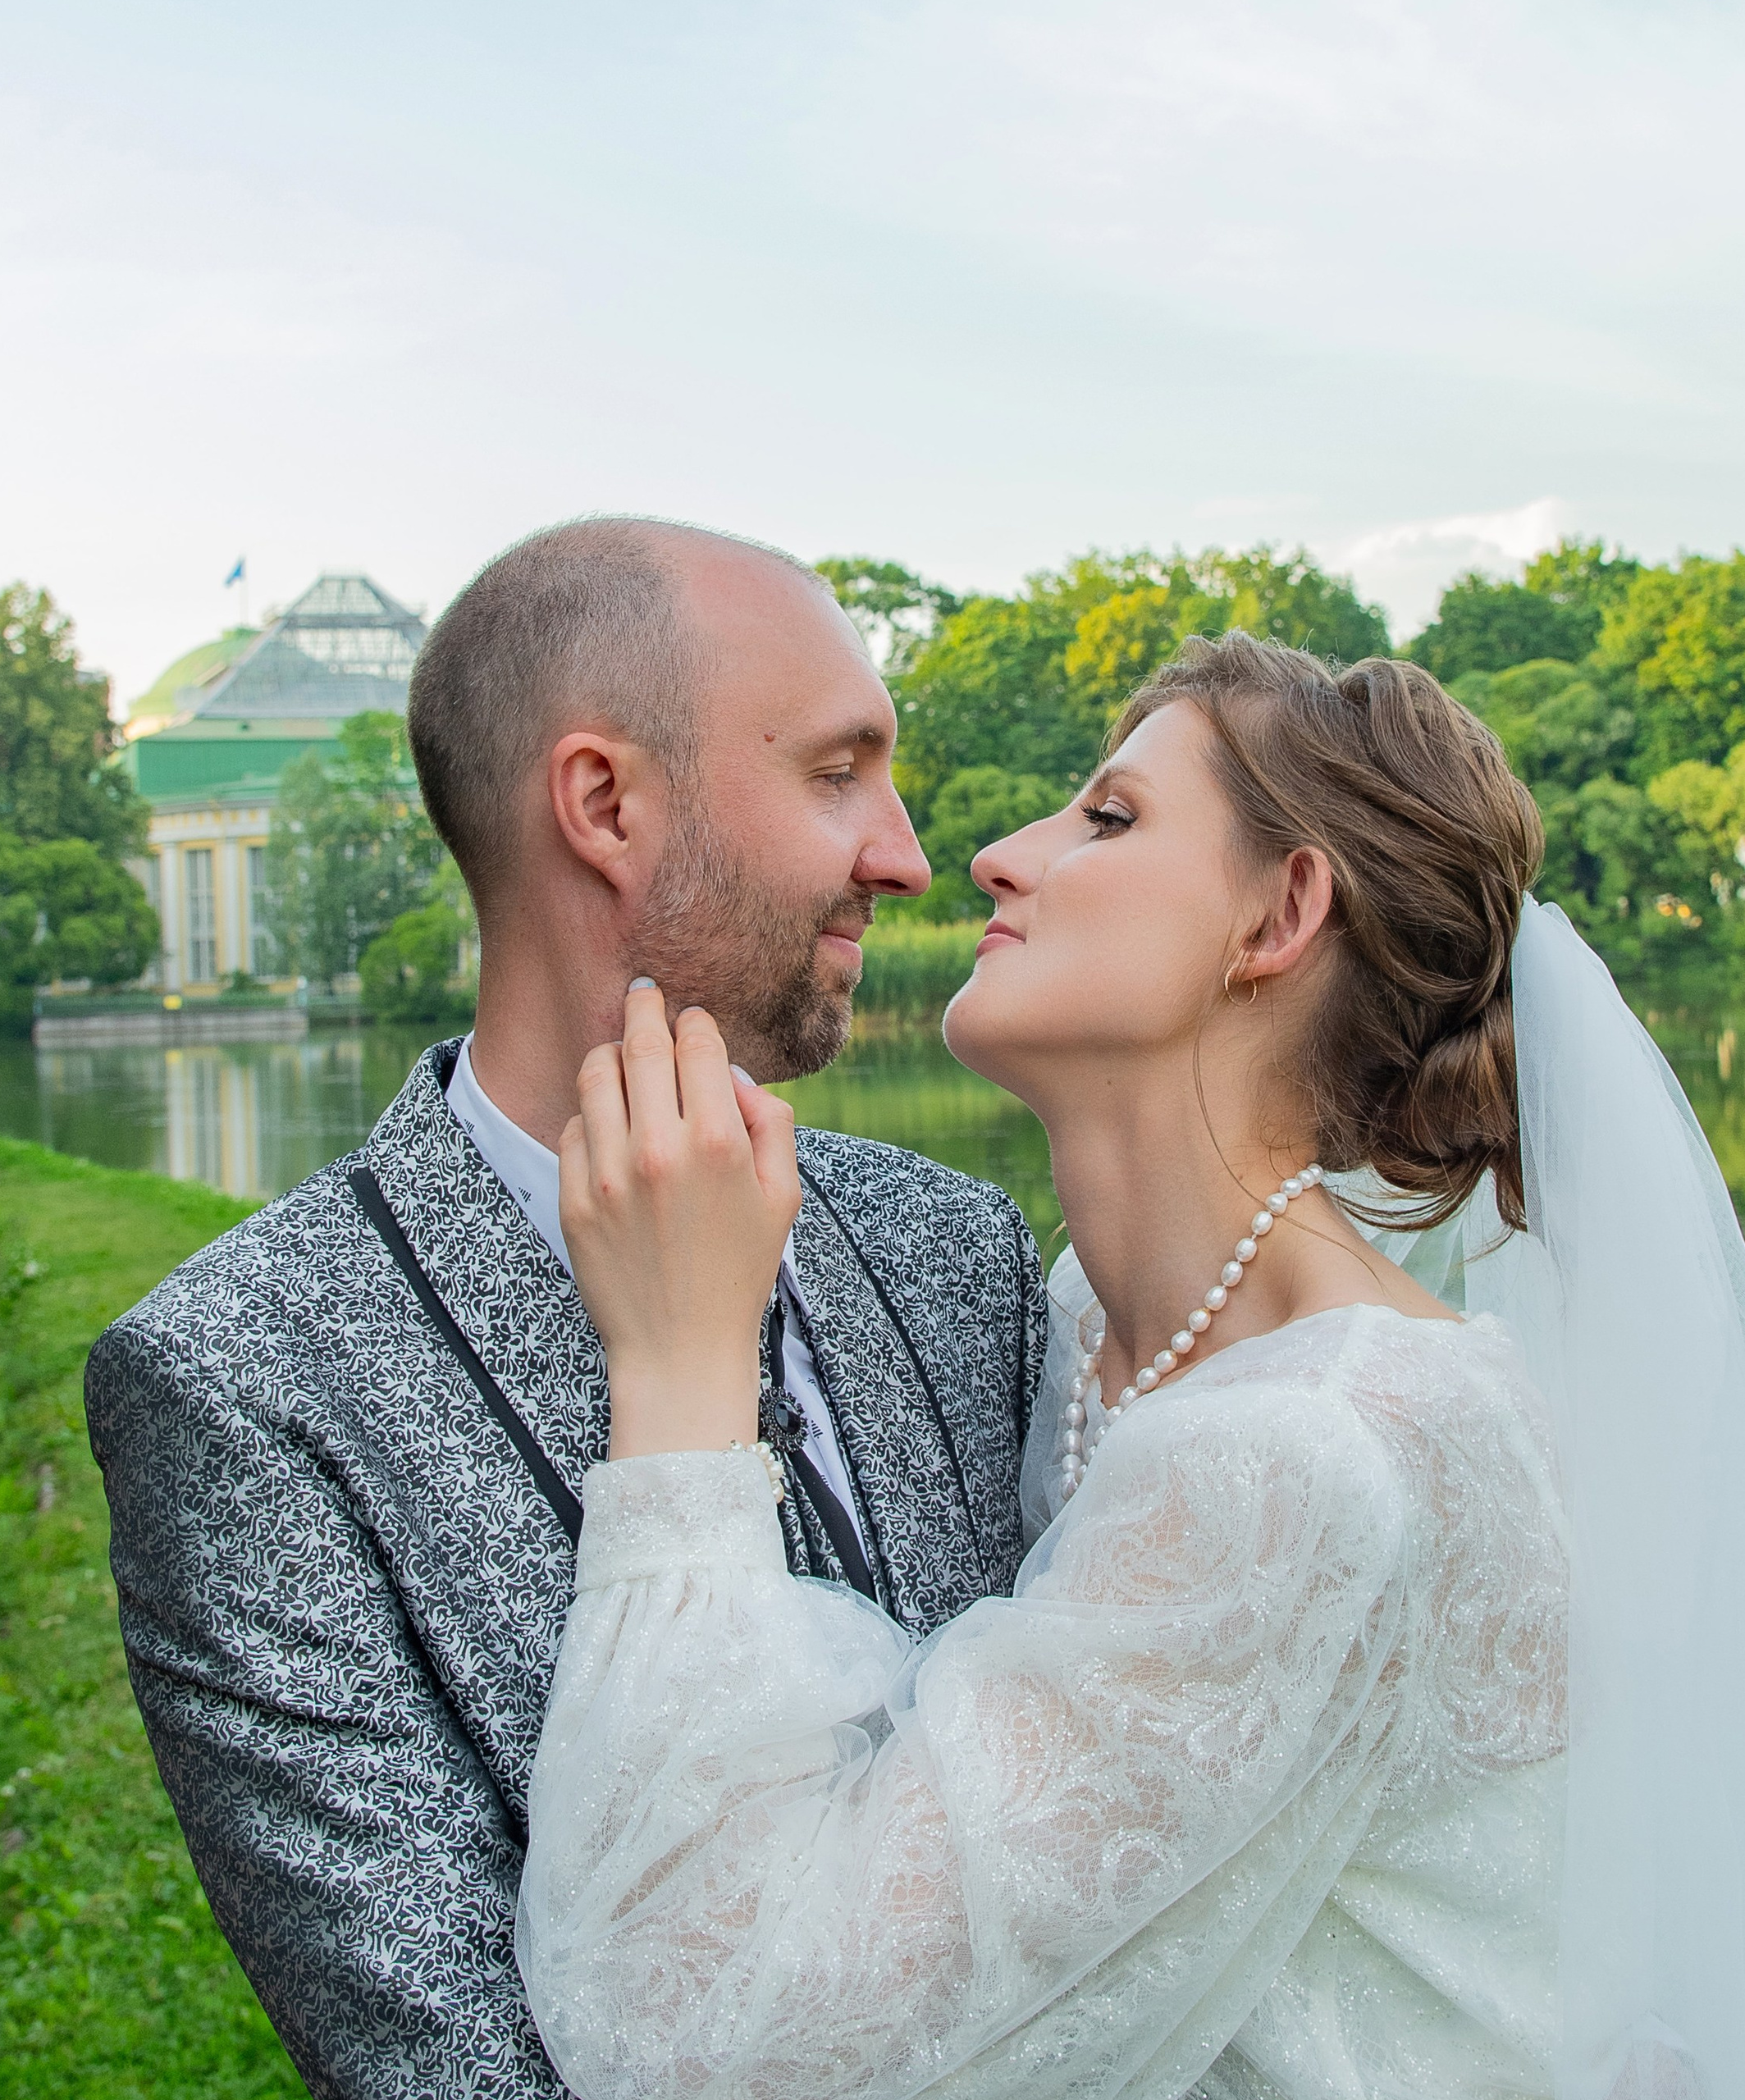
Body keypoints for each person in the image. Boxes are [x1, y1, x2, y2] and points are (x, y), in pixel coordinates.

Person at [518, 633, 1745, 2100]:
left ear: (1277, 915)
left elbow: (714, 2050)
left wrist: (680, 1370)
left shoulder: (1317, 1454)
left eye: (1107, 817)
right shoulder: (1092, 1326)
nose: (992, 856)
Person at [84, 521, 1047, 2098]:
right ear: (604, 804)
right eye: (835, 773)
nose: (908, 855)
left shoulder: (955, 1243)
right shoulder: (239, 1389)